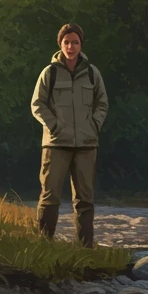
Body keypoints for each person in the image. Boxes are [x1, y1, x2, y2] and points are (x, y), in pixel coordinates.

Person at [30, 22, 108, 248]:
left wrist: (94, 124)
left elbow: (102, 103)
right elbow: (37, 105)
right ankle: (44, 245)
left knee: (85, 201)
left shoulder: (93, 74)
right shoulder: (49, 73)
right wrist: (54, 126)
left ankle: (86, 249)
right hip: (55, 145)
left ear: (81, 44)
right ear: (60, 44)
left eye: (75, 42)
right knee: (49, 197)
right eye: (66, 42)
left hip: (86, 144)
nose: (71, 47)